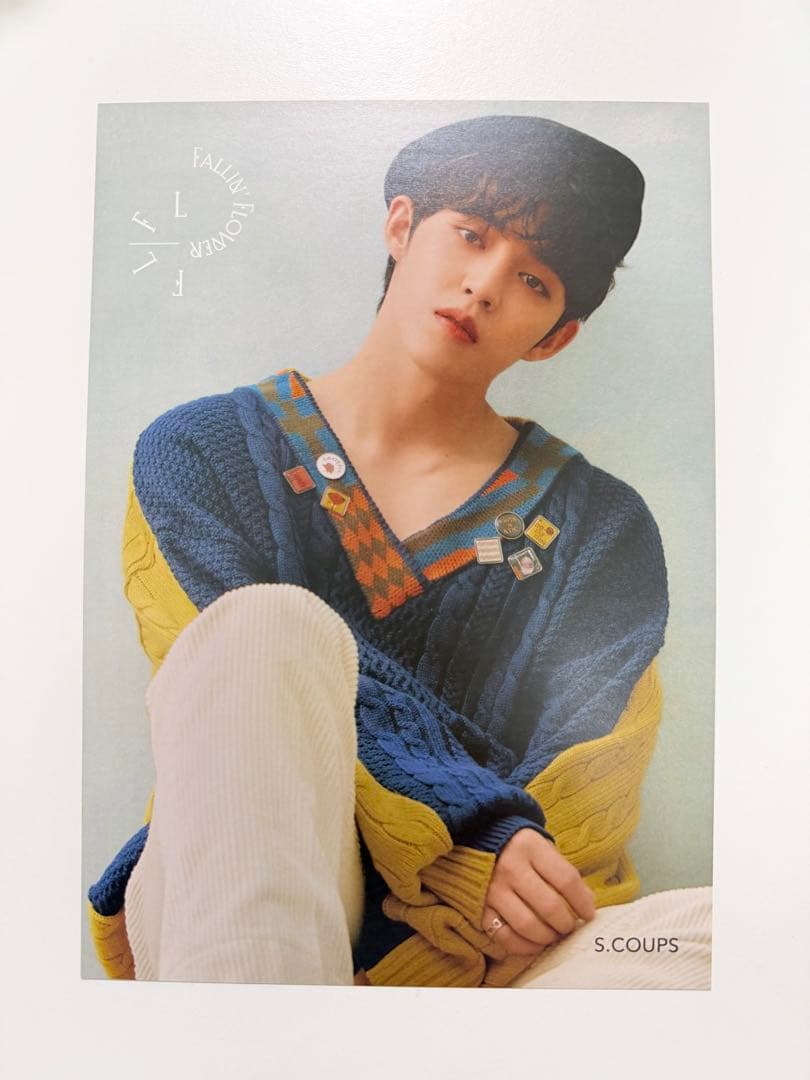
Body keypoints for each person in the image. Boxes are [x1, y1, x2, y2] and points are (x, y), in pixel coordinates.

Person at [87, 114, 710, 988]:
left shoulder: (602, 525)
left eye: (533, 279)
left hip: (495, 945)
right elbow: (230, 692)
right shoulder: (200, 450)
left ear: (554, 335)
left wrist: (441, 934)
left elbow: (585, 781)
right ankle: (275, 1034)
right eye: (471, 235)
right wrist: (468, 824)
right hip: (250, 887)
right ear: (401, 225)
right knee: (262, 628)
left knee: (735, 937)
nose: (484, 285)